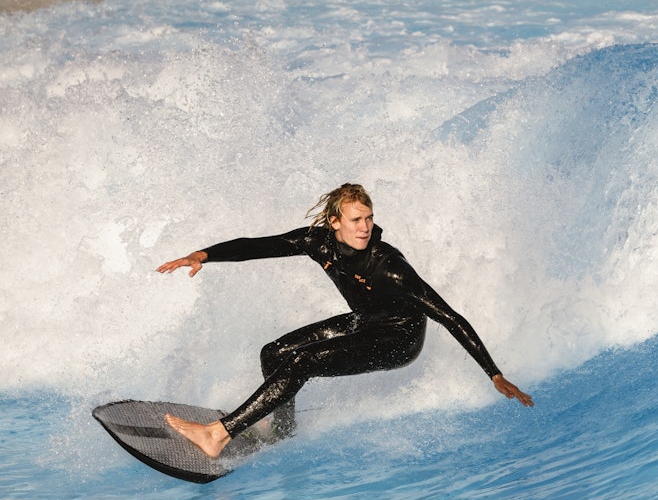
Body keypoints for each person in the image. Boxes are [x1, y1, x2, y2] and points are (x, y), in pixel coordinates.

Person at [157, 182, 533, 458]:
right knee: (275, 353)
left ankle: (218, 435)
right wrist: (203, 255)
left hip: (398, 341)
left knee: (302, 361)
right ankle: (282, 433)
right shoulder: (318, 243)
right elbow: (260, 245)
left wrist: (493, 373)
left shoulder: (390, 268)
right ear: (335, 223)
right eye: (356, 220)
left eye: (369, 219)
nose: (365, 227)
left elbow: (451, 318)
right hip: (367, 322)